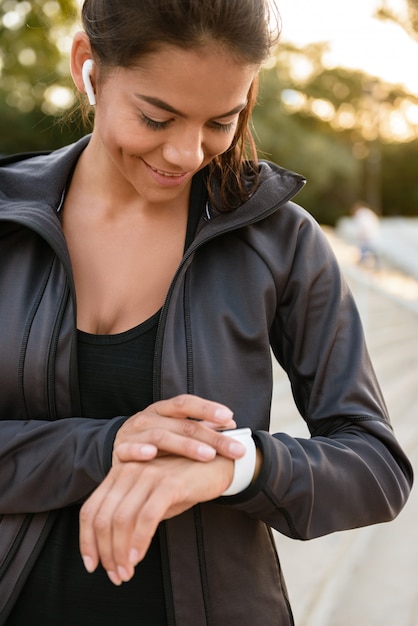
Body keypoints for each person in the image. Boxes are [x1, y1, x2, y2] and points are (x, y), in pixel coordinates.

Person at [0, 1, 413, 624]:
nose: (188, 154)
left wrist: (235, 465)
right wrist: (110, 444)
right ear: (88, 64)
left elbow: (376, 469)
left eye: (222, 120)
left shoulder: (281, 240)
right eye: (155, 117)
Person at [351, 201, 381, 269]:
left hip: (367, 236)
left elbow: (363, 227)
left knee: (365, 251)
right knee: (372, 251)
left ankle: (363, 264)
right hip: (372, 235)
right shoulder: (368, 213)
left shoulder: (361, 215)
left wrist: (360, 235)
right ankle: (377, 266)